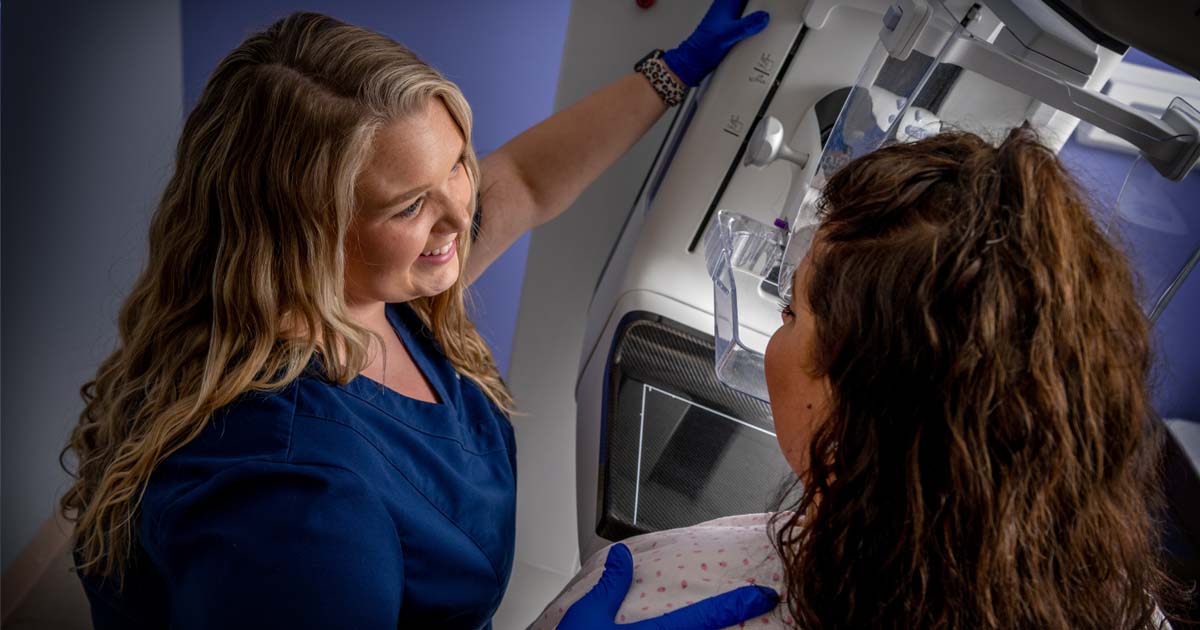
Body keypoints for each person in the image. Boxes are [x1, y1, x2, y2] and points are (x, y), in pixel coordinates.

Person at [58, 4, 780, 629]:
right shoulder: (294, 501)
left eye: (458, 163)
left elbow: (521, 182)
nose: (460, 216)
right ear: (301, 235)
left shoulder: (360, 286)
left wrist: (676, 70)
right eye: (410, 205)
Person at [535, 128, 1179, 629]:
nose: (775, 328)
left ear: (856, 425)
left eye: (790, 310)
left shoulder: (655, 593)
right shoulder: (1124, 603)